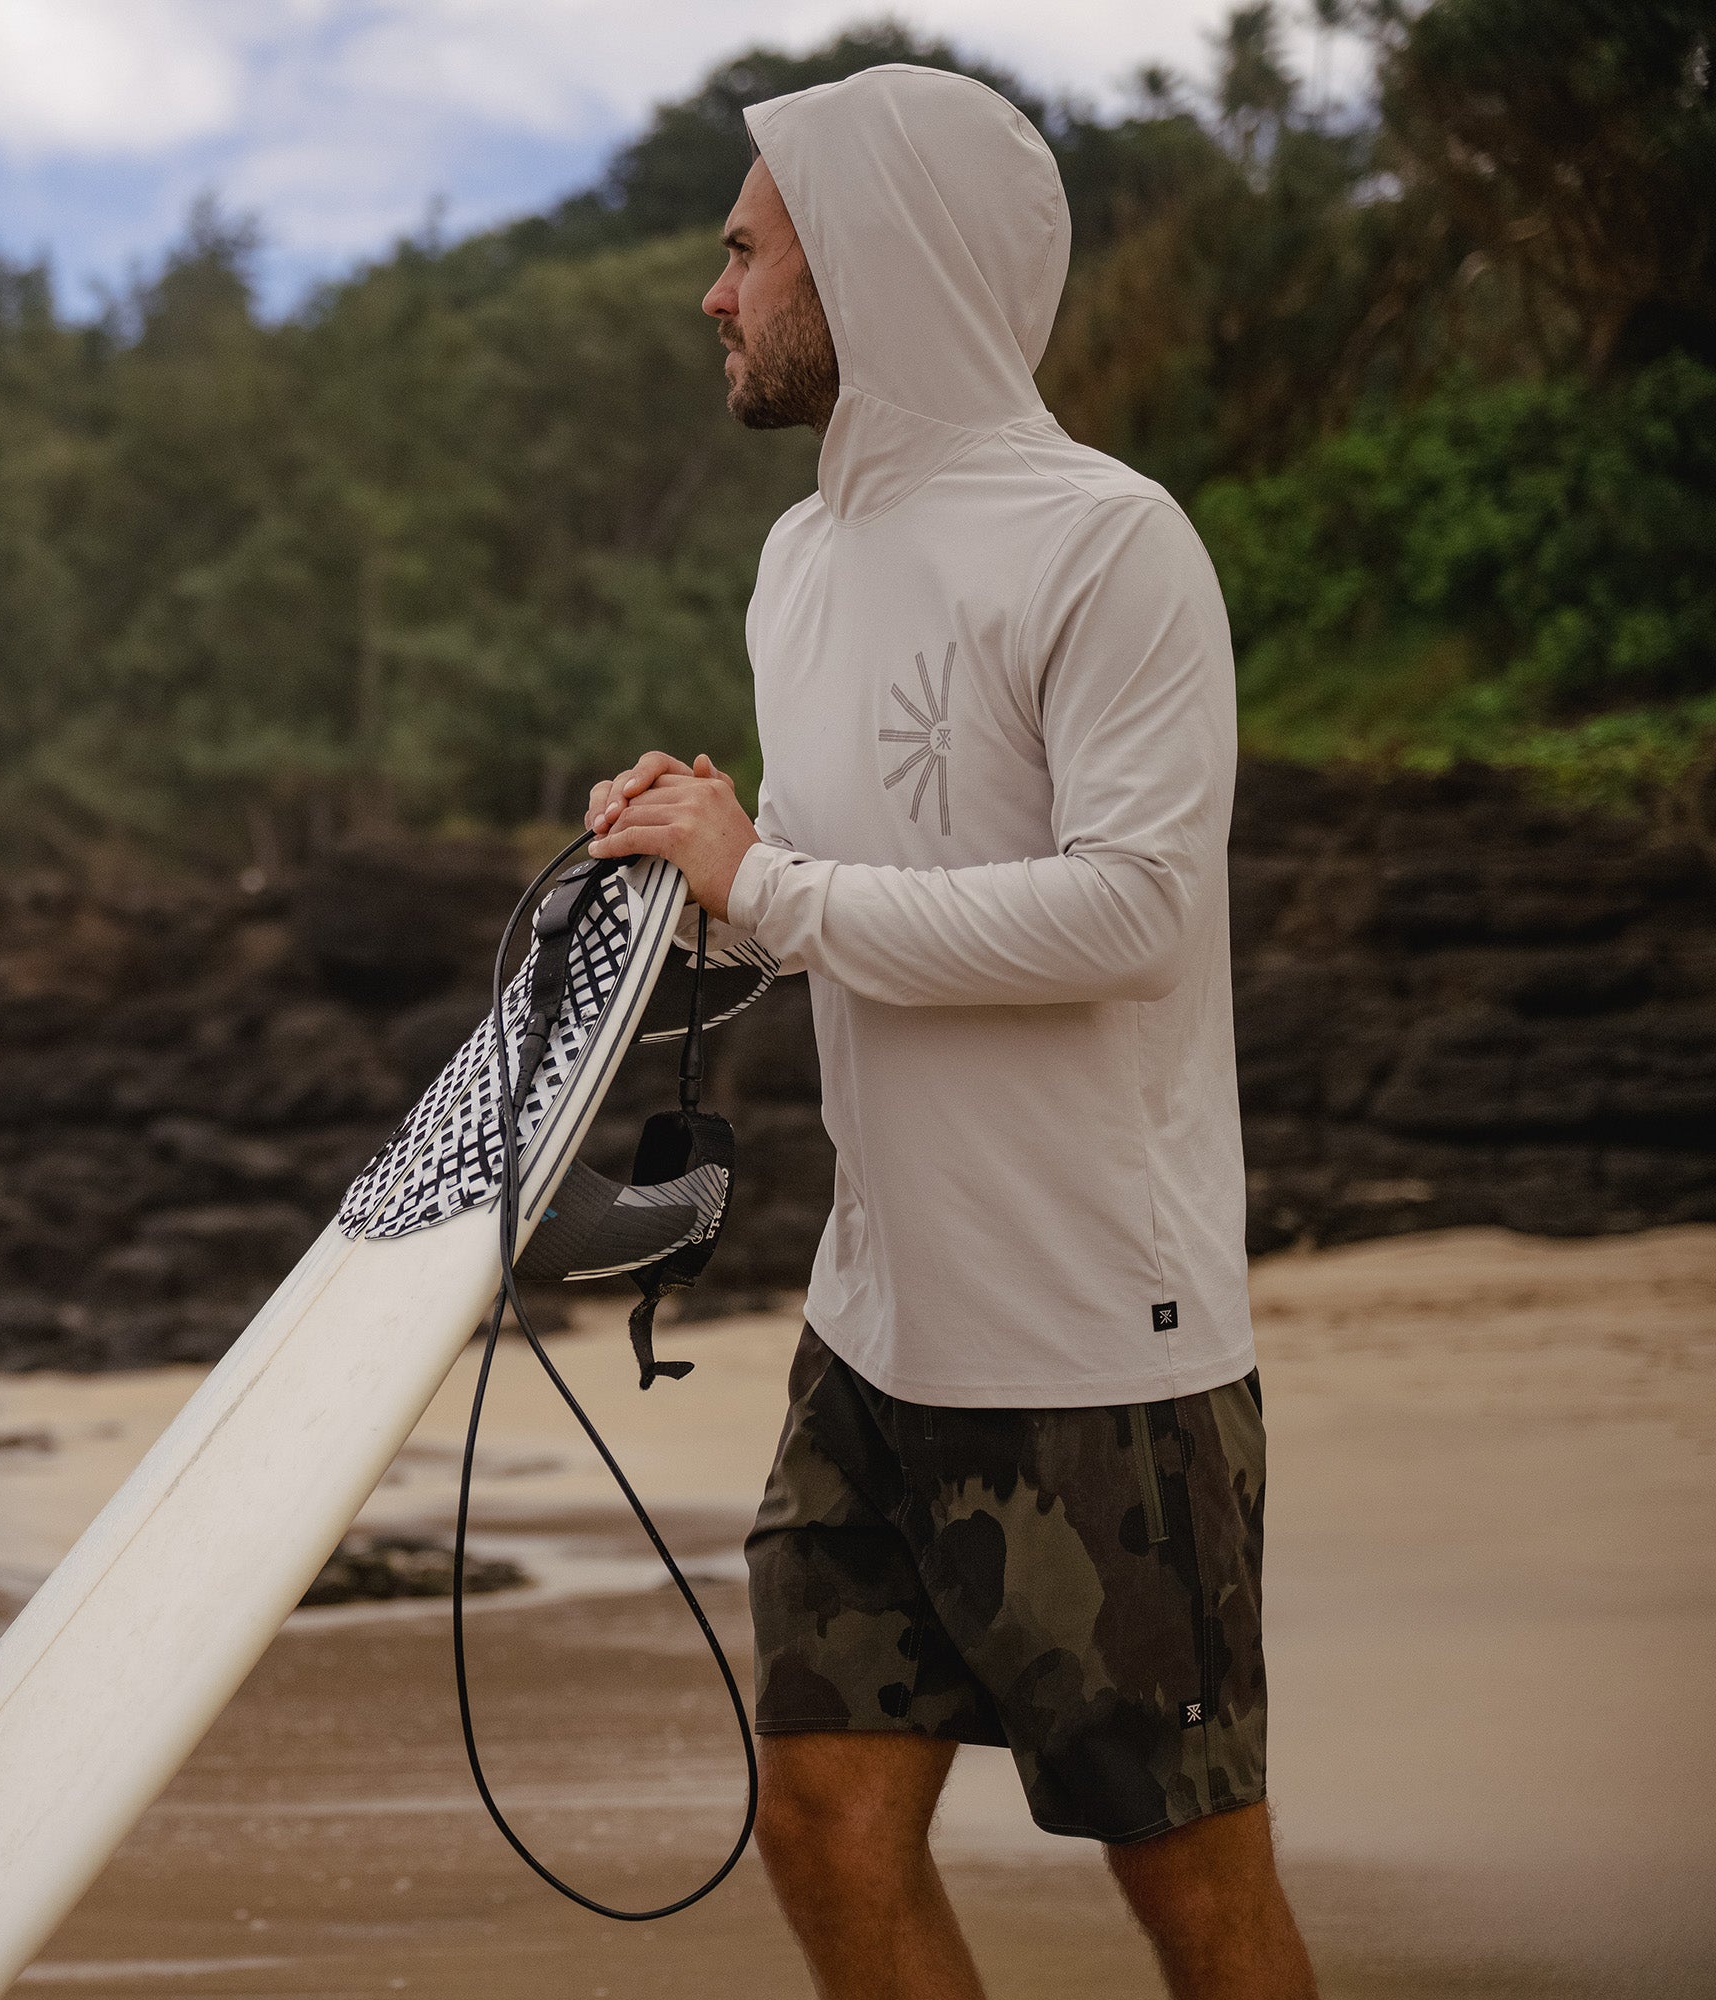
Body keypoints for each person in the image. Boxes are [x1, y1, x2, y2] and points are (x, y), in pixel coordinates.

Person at [584, 64, 1315, 2000]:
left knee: (1191, 1888)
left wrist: (776, 889)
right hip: (875, 1328)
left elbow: (1124, 911)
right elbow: (844, 901)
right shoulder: (800, 563)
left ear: (871, 263)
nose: (713, 294)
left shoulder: (1105, 539)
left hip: (1096, 1344)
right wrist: (701, 876)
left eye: (746, 251)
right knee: (825, 1831)